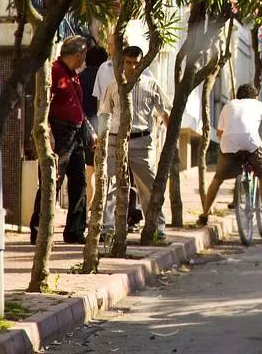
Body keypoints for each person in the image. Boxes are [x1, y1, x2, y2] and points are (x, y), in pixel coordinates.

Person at [97, 43, 171, 241]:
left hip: (142, 141)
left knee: (149, 186)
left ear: (142, 64)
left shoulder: (151, 85)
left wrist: (171, 142)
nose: (132, 67)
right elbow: (104, 114)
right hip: (115, 141)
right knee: (110, 184)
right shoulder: (113, 86)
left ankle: (156, 228)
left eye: (136, 63)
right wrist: (101, 142)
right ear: (122, 63)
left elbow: (165, 113)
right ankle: (107, 229)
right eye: (128, 62)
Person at [29, 35, 90, 245]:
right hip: (60, 132)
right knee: (52, 180)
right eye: (84, 54)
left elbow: (77, 106)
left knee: (79, 180)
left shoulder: (72, 75)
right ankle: (39, 231)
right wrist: (49, 133)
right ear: (79, 54)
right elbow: (42, 102)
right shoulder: (54, 71)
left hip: (76, 133)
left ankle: (75, 231)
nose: (85, 58)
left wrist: (88, 131)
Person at [198, 83, 262, 225]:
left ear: (238, 96)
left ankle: (204, 214)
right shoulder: (258, 105)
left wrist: (232, 140)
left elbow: (219, 133)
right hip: (251, 142)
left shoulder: (229, 105)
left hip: (229, 143)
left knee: (218, 178)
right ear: (255, 96)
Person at [79, 44, 108, 207]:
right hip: (104, 129)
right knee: (102, 172)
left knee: (88, 171)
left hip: (83, 128)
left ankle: (88, 211)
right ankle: (99, 209)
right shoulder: (107, 79)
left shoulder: (79, 78)